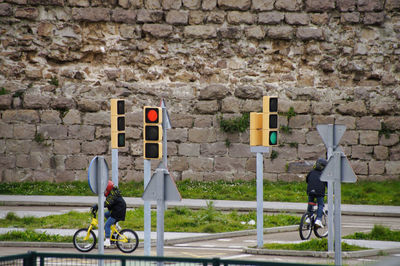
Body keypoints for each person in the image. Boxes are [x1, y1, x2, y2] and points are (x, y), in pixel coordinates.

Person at [93, 180, 127, 247]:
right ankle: (116, 227)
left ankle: (108, 240)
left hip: (117, 212)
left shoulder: (112, 196)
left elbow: (106, 203)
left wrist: (97, 206)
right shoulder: (113, 193)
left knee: (107, 225)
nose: (104, 191)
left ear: (108, 189)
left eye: (105, 190)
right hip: (117, 210)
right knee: (106, 214)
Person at [306, 158, 328, 228]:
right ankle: (318, 219)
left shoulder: (311, 172)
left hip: (310, 190)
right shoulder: (323, 174)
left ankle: (308, 217)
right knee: (320, 205)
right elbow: (327, 184)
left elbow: (307, 180)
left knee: (311, 202)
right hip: (319, 192)